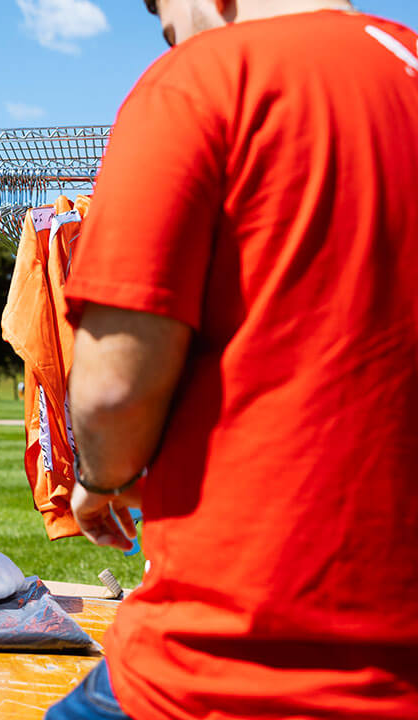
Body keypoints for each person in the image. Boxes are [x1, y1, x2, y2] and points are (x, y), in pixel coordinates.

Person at [48, 1, 418, 719]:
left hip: (232, 660)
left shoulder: (205, 77)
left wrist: (101, 477)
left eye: (168, 22)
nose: (173, 38)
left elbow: (112, 387)